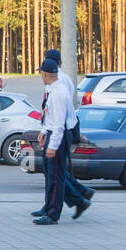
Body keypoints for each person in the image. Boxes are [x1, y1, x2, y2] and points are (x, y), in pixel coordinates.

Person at [31, 49, 95, 218]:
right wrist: (44, 130)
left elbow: (60, 117)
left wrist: (52, 141)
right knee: (51, 171)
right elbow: (49, 111)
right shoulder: (53, 84)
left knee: (56, 173)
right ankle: (75, 196)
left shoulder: (61, 84)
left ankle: (68, 202)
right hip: (54, 128)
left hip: (61, 130)